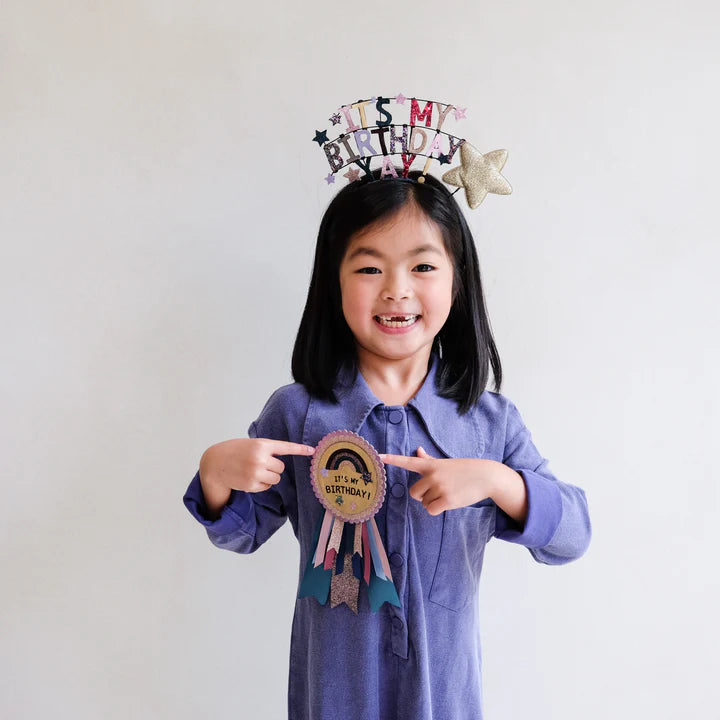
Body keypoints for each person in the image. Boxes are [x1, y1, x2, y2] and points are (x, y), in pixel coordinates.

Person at [183, 169, 592, 720]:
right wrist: (215, 473)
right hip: (333, 696)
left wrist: (499, 483)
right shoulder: (297, 413)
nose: (397, 289)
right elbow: (240, 533)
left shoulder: (489, 424)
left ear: (457, 280)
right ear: (334, 282)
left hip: (443, 700)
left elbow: (573, 536)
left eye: (423, 266)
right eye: (370, 267)